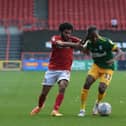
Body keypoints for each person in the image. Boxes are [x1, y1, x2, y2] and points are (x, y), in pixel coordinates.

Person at [30, 22, 81, 116]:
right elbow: (60, 44)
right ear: (61, 32)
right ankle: (39, 106)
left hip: (65, 70)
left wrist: (82, 42)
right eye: (66, 33)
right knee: (44, 93)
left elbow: (82, 44)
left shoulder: (72, 39)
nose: (68, 35)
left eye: (70, 33)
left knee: (62, 86)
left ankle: (55, 110)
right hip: (52, 70)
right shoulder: (55, 38)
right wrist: (75, 45)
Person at [78, 26, 123, 117]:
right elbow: (84, 50)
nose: (95, 38)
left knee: (101, 89)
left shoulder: (106, 42)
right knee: (87, 83)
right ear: (89, 36)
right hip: (96, 67)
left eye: (96, 36)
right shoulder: (89, 43)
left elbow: (120, 52)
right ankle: (82, 109)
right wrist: (84, 43)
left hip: (108, 68)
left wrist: (113, 59)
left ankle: (97, 104)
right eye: (93, 36)